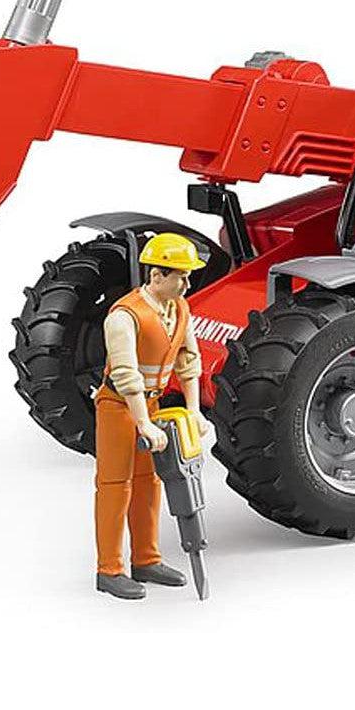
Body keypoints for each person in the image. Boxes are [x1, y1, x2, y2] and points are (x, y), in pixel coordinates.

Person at [93, 232, 213, 599]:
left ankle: (146, 559)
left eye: (188, 276)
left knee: (150, 483)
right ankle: (109, 569)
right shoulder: (124, 316)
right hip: (118, 407)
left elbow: (189, 362)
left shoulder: (180, 310)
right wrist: (142, 422)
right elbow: (125, 373)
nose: (187, 284)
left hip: (154, 404)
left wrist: (193, 411)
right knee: (115, 486)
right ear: (157, 275)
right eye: (181, 276)